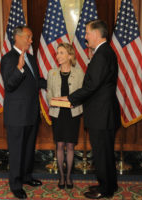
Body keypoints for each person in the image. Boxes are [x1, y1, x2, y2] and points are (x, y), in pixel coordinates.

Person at [55, 19, 121, 199]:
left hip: (102, 114)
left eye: (87, 33)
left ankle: (105, 189)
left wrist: (69, 98)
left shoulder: (102, 54)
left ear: (97, 34)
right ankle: (109, 184)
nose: (85, 36)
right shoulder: (104, 52)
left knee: (101, 152)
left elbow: (91, 86)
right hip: (104, 112)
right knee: (105, 151)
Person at [0, 26, 46, 199]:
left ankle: (27, 177)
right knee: (17, 150)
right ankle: (16, 184)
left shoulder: (32, 59)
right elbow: (9, 85)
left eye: (31, 37)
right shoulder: (8, 59)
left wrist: (56, 83)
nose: (31, 40)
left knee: (28, 149)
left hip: (32, 112)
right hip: (17, 115)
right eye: (29, 37)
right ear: (17, 38)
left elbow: (37, 82)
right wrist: (19, 68)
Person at [46, 43, 84, 189]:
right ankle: (61, 177)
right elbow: (49, 93)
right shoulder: (52, 73)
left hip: (73, 114)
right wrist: (53, 101)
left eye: (61, 53)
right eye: (57, 53)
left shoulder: (79, 73)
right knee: (60, 144)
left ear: (70, 55)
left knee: (70, 145)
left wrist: (76, 102)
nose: (58, 56)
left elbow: (82, 93)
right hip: (57, 114)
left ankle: (69, 177)